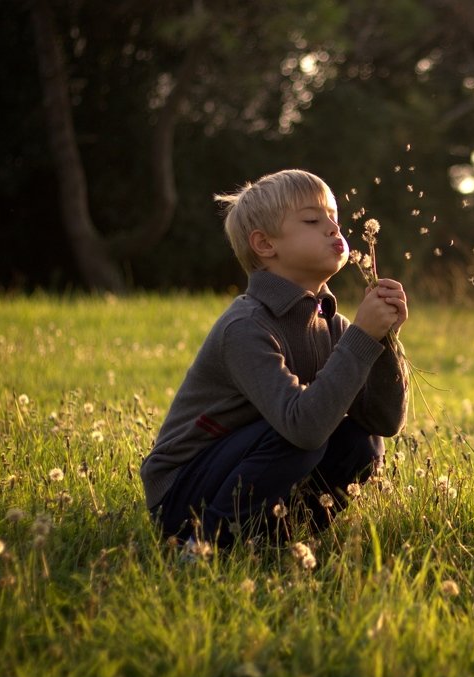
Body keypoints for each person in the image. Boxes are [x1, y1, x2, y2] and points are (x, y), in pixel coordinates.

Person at [140, 169, 409, 548]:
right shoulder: (246, 326)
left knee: (360, 441)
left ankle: (275, 537)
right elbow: (304, 428)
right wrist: (363, 336)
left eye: (334, 218)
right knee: (302, 434)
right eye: (313, 220)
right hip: (184, 494)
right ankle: (204, 547)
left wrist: (384, 341)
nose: (333, 228)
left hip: (251, 471)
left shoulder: (333, 325)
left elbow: (384, 420)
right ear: (265, 244)